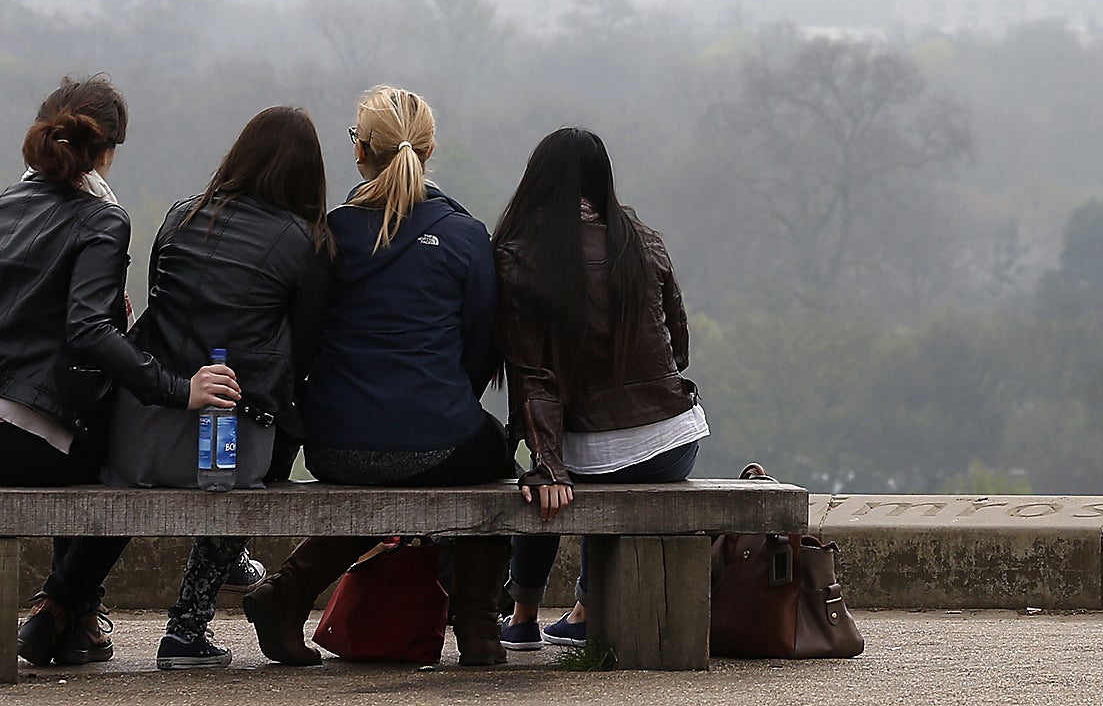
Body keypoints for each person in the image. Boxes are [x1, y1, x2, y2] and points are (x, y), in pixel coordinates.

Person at [240, 85, 510, 667]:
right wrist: (436, 402)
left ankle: (286, 593)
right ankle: (480, 628)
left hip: (334, 443)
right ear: (429, 150)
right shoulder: (465, 236)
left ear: (360, 151)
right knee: (495, 461)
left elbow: (305, 341)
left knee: (387, 474)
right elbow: (483, 346)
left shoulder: (331, 232)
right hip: (439, 434)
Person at [2, 76, 240, 668]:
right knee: (133, 454)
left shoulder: (4, 206)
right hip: (32, 440)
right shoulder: (101, 219)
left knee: (92, 420)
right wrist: (180, 390)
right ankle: (63, 603)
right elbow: (89, 332)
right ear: (106, 152)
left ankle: (75, 621)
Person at [101, 105, 333, 668]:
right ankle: (187, 627)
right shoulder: (307, 242)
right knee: (276, 430)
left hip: (145, 433)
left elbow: (160, 305)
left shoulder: (182, 215)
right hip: (226, 445)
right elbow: (305, 349)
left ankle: (70, 604)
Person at [495, 128, 705, 650]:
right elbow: (678, 348)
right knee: (597, 468)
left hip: (593, 449)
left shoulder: (521, 254)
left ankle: (521, 617)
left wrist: (547, 462)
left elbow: (533, 374)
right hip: (676, 444)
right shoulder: (641, 238)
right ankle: (585, 610)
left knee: (548, 484)